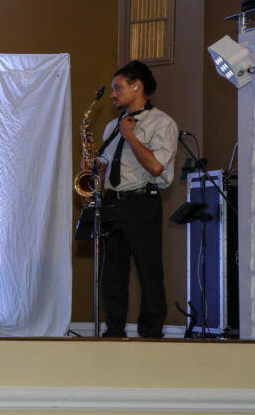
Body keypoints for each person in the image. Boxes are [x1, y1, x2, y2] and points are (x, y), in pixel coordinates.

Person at [94, 60, 177, 338]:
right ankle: (114, 331)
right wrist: (97, 168)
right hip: (112, 202)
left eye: (117, 87)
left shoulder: (161, 123)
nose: (112, 94)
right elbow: (109, 167)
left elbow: (156, 167)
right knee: (112, 274)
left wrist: (130, 135)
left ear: (136, 86)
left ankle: (151, 333)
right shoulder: (112, 126)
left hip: (141, 202)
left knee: (148, 270)